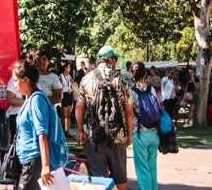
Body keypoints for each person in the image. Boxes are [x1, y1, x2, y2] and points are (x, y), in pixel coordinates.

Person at [75, 46, 134, 190]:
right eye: (115, 59)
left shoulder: (86, 79)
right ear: (110, 60)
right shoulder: (121, 80)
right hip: (118, 136)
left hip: (94, 135)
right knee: (120, 178)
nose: (116, 62)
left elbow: (79, 107)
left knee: (98, 181)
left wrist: (80, 130)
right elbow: (129, 112)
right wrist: (129, 135)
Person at [12, 58, 68, 190]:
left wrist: (45, 166)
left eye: (15, 81)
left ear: (25, 79)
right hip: (27, 160)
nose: (14, 86)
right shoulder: (29, 99)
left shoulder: (37, 99)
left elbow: (42, 134)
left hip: (34, 160)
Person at [130, 62, 160, 190]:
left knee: (142, 170)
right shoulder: (151, 89)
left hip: (140, 133)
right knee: (152, 167)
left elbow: (130, 114)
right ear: (145, 74)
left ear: (132, 74)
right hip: (154, 133)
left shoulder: (132, 92)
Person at [58, 60, 74, 136]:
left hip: (69, 94)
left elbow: (72, 84)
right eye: (69, 67)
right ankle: (60, 130)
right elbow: (59, 87)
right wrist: (60, 97)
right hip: (64, 95)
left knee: (69, 114)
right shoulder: (60, 76)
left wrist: (71, 86)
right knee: (64, 115)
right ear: (65, 68)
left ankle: (67, 131)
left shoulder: (69, 76)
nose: (70, 68)